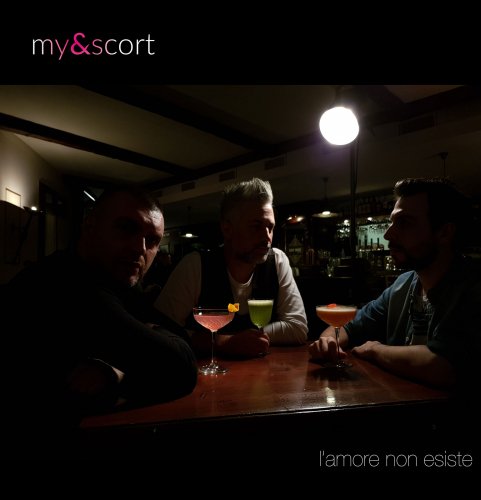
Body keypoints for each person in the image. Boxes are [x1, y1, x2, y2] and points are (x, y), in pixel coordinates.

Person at [1, 187, 198, 458]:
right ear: (90, 225)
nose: (140, 249)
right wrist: (129, 366)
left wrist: (114, 370)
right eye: (126, 228)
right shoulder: (66, 285)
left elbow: (181, 341)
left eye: (152, 240)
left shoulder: (119, 284)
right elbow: (180, 367)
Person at [309, 177, 481, 393]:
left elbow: (443, 366)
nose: (388, 234)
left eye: (405, 223)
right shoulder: (404, 284)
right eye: (392, 222)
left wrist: (376, 350)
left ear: (444, 232)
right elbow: (350, 326)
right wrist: (329, 342)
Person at [154, 177, 308, 358]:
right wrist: (224, 342)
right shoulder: (195, 265)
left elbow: (298, 328)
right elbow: (158, 330)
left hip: (265, 373)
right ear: (227, 229)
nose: (267, 237)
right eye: (256, 226)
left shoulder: (277, 261)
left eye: (270, 227)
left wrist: (249, 338)